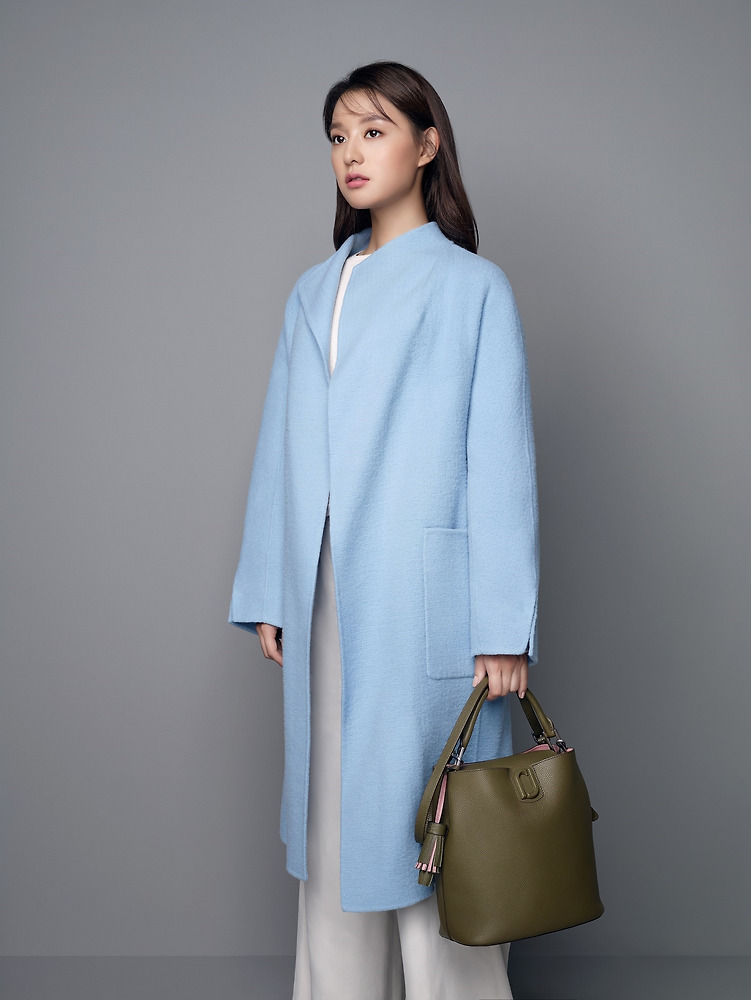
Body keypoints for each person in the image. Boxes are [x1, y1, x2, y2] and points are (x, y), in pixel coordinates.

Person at [229, 61, 539, 1000]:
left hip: (426, 601)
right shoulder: (311, 292)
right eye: (337, 136)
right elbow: (281, 446)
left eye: (372, 131)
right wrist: (268, 588)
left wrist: (502, 626)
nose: (350, 153)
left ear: (426, 144)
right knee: (334, 823)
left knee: (441, 830)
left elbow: (501, 461)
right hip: (326, 594)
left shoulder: (472, 287)